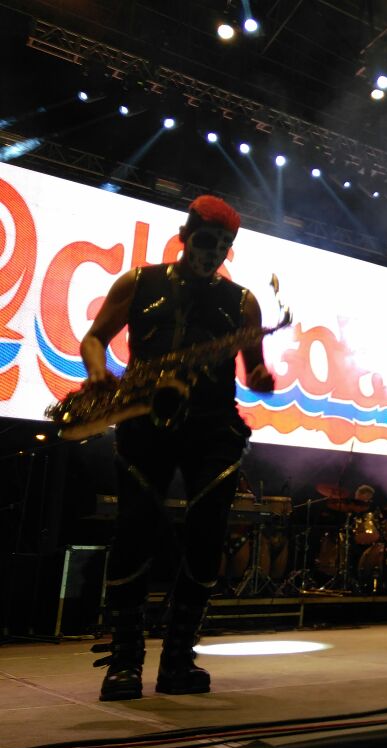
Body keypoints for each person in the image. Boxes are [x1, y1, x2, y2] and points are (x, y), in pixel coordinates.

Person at [80, 195, 274, 700]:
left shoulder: (242, 302)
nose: (213, 254)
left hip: (213, 427)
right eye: (206, 242)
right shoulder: (138, 283)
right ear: (185, 235)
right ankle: (124, 662)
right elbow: (94, 338)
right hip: (145, 419)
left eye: (223, 247)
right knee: (134, 529)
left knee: (208, 535)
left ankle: (177, 660)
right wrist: (99, 374)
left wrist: (259, 373)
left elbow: (255, 367)